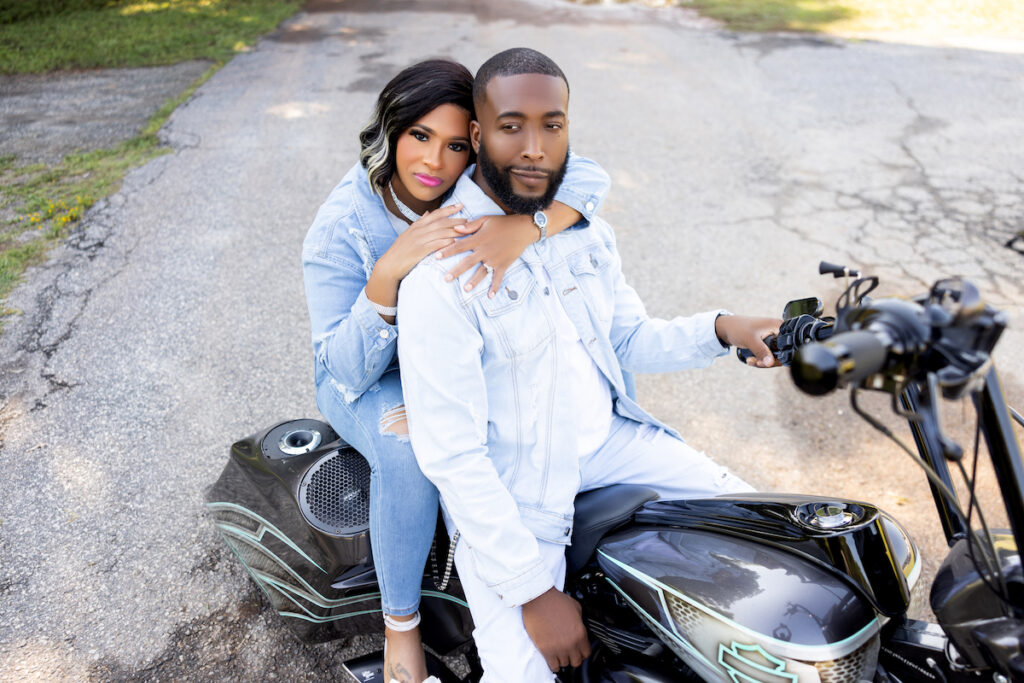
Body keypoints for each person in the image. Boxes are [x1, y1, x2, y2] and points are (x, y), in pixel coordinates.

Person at [396, 48, 781, 682]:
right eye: (511, 124)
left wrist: (721, 329)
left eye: (552, 124)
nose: (534, 146)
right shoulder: (442, 274)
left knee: (775, 537)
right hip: (518, 494)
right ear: (477, 133)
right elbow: (454, 455)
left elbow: (626, 339)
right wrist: (532, 593)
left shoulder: (580, 231)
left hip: (614, 442)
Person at [301, 59, 612, 683]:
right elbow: (344, 367)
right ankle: (401, 628)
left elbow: (588, 174)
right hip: (366, 368)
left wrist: (529, 226)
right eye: (419, 136)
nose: (436, 164)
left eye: (454, 144)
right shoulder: (341, 226)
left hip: (445, 352)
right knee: (410, 447)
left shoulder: (479, 174)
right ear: (390, 132)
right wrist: (389, 271)